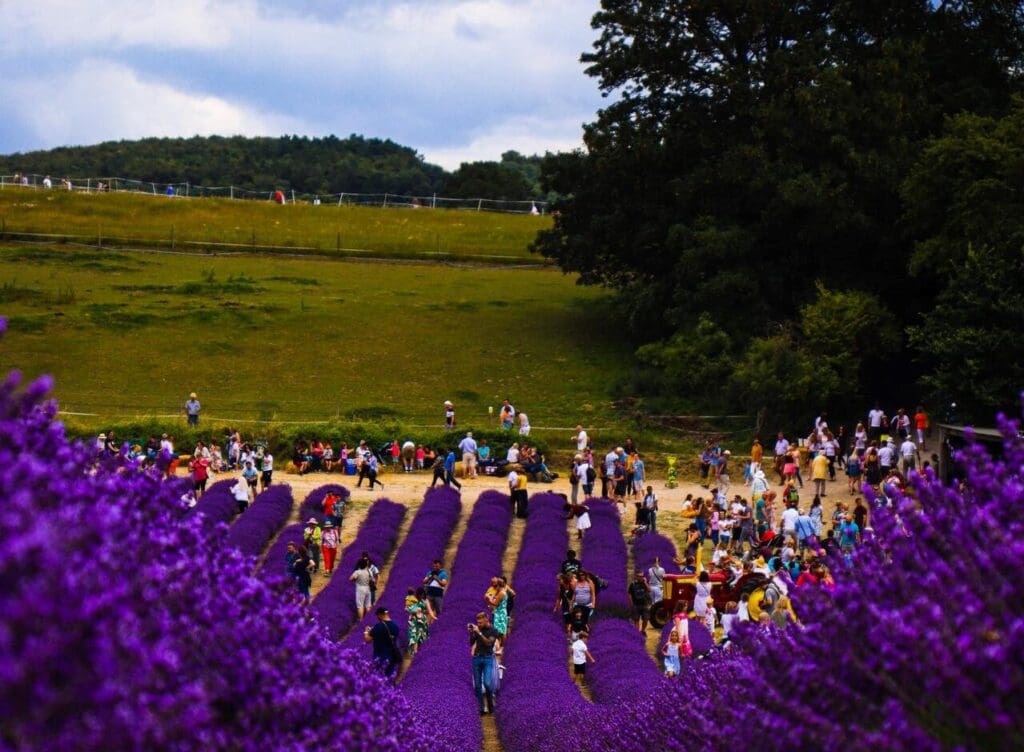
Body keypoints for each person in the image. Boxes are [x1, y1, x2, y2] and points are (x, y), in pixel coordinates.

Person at [469, 611, 500, 714]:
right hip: (476, 658)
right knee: (477, 686)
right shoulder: (478, 629)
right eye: (478, 622)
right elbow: (471, 642)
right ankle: (481, 709)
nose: (479, 624)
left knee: (487, 683)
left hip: (487, 659)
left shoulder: (493, 630)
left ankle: (491, 706)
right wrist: (472, 633)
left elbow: (489, 643)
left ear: (487, 620)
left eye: (481, 622)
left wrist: (479, 632)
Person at [364, 607, 402, 678]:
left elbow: (367, 639)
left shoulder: (378, 626)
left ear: (380, 615)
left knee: (378, 677)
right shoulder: (395, 626)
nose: (377, 617)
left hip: (379, 656)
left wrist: (366, 631)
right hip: (392, 656)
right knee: (389, 677)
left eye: (377, 615)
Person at [406, 587, 435, 655]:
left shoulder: (426, 601)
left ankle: (421, 652)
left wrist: (433, 616)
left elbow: (429, 610)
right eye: (420, 594)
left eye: (423, 594)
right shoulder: (413, 600)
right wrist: (409, 615)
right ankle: (414, 651)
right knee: (413, 635)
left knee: (421, 636)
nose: (421, 596)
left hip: (422, 620)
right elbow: (409, 609)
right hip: (414, 620)